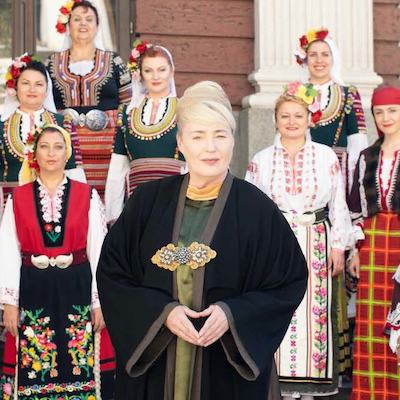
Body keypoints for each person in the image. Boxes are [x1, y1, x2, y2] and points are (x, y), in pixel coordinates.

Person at [97, 81, 308, 399]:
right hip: (157, 369)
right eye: (198, 136)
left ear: (233, 142)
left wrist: (232, 314)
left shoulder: (257, 209)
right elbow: (113, 274)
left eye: (220, 135)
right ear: (180, 142)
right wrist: (162, 313)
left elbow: (288, 281)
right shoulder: (147, 202)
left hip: (225, 370)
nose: (210, 147)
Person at [246, 81, 354, 399]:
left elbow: (338, 203)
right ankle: (279, 385)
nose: (292, 122)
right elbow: (253, 210)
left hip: (316, 243)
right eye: (285, 116)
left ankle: (310, 388)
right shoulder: (261, 160)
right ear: (276, 120)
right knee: (279, 309)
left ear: (310, 119)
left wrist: (338, 246)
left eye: (298, 115)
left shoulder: (325, 157)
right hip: (277, 246)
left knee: (314, 314)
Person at [0, 124, 114, 399]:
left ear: (67, 155)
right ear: (34, 155)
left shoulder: (87, 195)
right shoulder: (18, 197)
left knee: (79, 359)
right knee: (37, 360)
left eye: (58, 147)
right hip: (33, 289)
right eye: (44, 146)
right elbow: (8, 251)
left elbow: (98, 250)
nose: (51, 153)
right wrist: (10, 303)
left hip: (76, 286)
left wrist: (99, 302)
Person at [295, 27, 368, 375]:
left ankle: (338, 362)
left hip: (340, 175)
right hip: (305, 179)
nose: (319, 60)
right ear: (305, 61)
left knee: (339, 269)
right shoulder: (295, 93)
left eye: (325, 55)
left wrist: (354, 183)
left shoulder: (347, 93)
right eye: (313, 55)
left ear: (332, 59)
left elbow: (356, 144)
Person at [46, 0, 132, 199]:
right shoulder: (51, 64)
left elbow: (129, 105)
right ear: (67, 26)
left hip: (108, 150)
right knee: (70, 200)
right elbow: (46, 107)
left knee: (109, 199)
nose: (83, 24)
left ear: (97, 26)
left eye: (89, 19)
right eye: (77, 19)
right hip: (65, 147)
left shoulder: (115, 61)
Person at [348, 86, 400, 400]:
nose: (385, 118)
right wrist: (355, 248)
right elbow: (356, 206)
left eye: (392, 110)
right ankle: (372, 393)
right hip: (373, 247)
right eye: (379, 112)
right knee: (370, 324)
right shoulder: (367, 157)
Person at [105, 40, 185, 223]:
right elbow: (118, 166)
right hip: (137, 205)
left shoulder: (184, 109)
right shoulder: (126, 112)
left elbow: (192, 162)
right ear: (140, 74)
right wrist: (114, 214)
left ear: (171, 71)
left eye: (162, 70)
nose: (156, 76)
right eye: (148, 70)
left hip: (175, 203)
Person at [0, 54, 85, 217]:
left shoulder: (63, 123)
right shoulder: (1, 125)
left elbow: (73, 168)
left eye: (38, 84)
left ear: (47, 90)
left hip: (55, 208)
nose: (32, 89)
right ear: (15, 88)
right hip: (9, 208)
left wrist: (80, 209)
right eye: (25, 83)